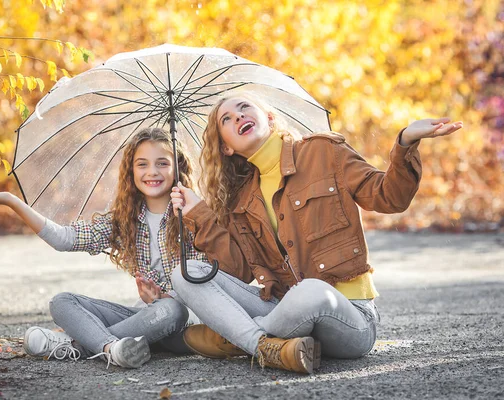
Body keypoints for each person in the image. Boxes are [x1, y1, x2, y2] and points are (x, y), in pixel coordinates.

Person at [170, 93, 463, 374]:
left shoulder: (322, 152)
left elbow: (389, 197)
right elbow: (237, 270)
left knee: (309, 290)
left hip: (349, 317)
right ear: (226, 148)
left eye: (245, 107)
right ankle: (262, 345)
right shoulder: (240, 200)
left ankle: (236, 338)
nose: (239, 117)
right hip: (285, 310)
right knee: (185, 273)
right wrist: (199, 214)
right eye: (227, 119)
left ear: (269, 118)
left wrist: (406, 142)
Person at [0, 127, 209, 368]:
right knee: (62, 302)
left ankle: (76, 344)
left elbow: (210, 284)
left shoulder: (195, 215)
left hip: (186, 325)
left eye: (162, 163)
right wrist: (11, 201)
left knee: (171, 309)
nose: (152, 172)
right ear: (131, 171)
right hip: (144, 320)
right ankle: (112, 349)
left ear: (178, 167)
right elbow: (64, 239)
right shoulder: (125, 220)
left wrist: (165, 298)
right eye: (142, 164)